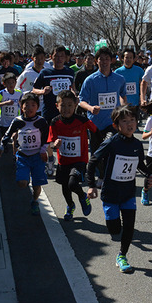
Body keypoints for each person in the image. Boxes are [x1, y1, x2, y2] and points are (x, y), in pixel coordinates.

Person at [86, 105, 152, 272]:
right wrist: (91, 185)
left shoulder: (138, 144)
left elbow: (140, 164)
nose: (129, 124)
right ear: (116, 125)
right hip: (110, 193)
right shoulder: (111, 142)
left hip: (128, 192)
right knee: (115, 229)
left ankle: (122, 255)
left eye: (132, 120)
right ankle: (116, 232)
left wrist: (149, 175)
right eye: (124, 121)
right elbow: (93, 161)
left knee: (129, 225)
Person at [48, 90, 97, 220]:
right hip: (63, 161)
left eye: (70, 105)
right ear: (57, 106)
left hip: (79, 160)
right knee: (65, 187)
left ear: (75, 105)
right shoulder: (55, 122)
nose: (66, 109)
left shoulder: (82, 120)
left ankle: (83, 197)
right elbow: (51, 142)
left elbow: (96, 131)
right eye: (63, 105)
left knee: (72, 183)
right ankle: (70, 206)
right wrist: (55, 144)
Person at [0, 93, 49, 216]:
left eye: (33, 105)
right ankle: (25, 176)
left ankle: (35, 201)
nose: (30, 108)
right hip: (23, 156)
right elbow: (7, 134)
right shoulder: (18, 121)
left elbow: (47, 137)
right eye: (27, 105)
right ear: (21, 106)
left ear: (38, 107)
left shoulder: (41, 121)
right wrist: (2, 146)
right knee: (22, 183)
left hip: (37, 156)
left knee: (37, 184)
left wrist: (43, 150)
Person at [33, 45, 76, 176]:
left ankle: (68, 164)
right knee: (49, 138)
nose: (59, 59)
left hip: (66, 111)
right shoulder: (45, 73)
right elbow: (34, 89)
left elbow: (72, 87)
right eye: (56, 56)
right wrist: (42, 91)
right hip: (49, 110)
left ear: (66, 58)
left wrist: (74, 94)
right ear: (51, 57)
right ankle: (51, 160)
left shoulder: (69, 72)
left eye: (62, 56)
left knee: (67, 137)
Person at [79, 46, 128, 159]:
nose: (104, 61)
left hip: (112, 123)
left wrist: (123, 106)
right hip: (95, 123)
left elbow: (123, 96)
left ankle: (109, 174)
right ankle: (96, 174)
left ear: (111, 60)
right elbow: (82, 101)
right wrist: (91, 108)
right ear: (96, 61)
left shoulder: (119, 79)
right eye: (101, 59)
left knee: (110, 149)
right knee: (96, 154)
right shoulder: (90, 80)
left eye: (107, 58)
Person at [0, 73, 23, 139]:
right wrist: (5, 103)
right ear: (4, 84)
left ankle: (14, 149)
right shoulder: (1, 93)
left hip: (15, 120)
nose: (11, 84)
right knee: (5, 139)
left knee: (15, 138)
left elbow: (23, 102)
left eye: (13, 82)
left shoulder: (19, 93)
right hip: (4, 122)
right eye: (9, 83)